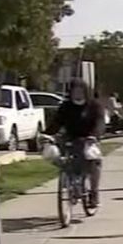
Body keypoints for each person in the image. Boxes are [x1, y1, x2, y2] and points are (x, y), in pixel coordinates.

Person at [47, 79, 105, 208]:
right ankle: (70, 183)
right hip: (70, 138)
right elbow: (57, 122)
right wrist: (47, 134)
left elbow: (99, 123)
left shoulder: (94, 106)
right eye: (74, 91)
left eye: (80, 91)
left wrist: (94, 136)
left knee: (94, 162)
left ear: (86, 92)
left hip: (88, 139)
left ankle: (93, 193)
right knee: (59, 158)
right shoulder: (66, 106)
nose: (77, 94)